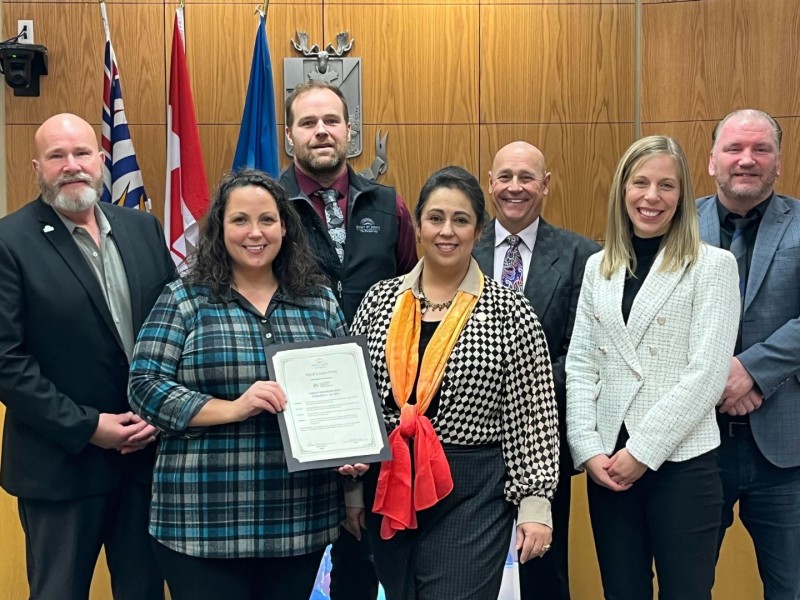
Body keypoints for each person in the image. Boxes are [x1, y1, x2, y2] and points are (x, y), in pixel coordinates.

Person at [128, 169, 365, 600]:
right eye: (240, 220)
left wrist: (349, 450)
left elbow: (343, 391)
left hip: (298, 519)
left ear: (286, 227)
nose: (254, 233)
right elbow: (144, 387)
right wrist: (234, 407)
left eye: (267, 220)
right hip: (201, 522)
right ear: (220, 229)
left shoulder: (319, 300)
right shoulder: (185, 298)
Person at [350, 165, 559, 600]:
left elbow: (533, 415)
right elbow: (358, 401)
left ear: (478, 230)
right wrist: (352, 491)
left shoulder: (509, 312)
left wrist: (535, 506)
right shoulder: (379, 300)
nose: (447, 231)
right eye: (436, 218)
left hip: (471, 488)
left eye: (461, 220)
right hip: (389, 484)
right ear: (419, 225)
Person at [0, 113, 173, 600]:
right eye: (57, 156)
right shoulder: (9, 242)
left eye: (80, 153)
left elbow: (171, 331)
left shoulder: (142, 228)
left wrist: (160, 414)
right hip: (60, 466)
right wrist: (88, 426)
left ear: (101, 160)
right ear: (37, 167)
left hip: (145, 461)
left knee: (142, 591)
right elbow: (6, 361)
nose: (71, 165)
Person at [566, 135, 740, 600]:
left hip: (680, 463)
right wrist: (586, 447)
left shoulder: (713, 266)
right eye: (640, 182)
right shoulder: (597, 267)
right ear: (622, 189)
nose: (651, 196)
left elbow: (705, 375)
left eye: (667, 185)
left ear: (683, 195)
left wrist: (641, 452)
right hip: (608, 466)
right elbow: (581, 363)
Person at [280, 80, 417, 599]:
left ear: (350, 131)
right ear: (290, 136)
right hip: (298, 413)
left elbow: (413, 290)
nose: (321, 132)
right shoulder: (270, 206)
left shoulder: (388, 205)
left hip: (378, 411)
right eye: (308, 123)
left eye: (331, 121)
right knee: (292, 571)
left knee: (365, 567)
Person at [474, 141, 600, 600]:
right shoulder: (460, 248)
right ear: (490, 183)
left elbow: (586, 352)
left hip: (545, 443)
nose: (515, 187)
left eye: (527, 177)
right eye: (504, 176)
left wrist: (521, 391)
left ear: (545, 185)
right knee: (470, 569)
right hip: (471, 447)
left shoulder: (582, 256)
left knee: (543, 571)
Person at [698, 109, 800, 600]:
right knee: (685, 586)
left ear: (778, 162)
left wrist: (752, 372)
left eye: (760, 149)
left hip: (786, 452)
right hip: (692, 446)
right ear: (712, 159)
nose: (746, 160)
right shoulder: (674, 224)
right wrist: (718, 375)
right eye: (734, 149)